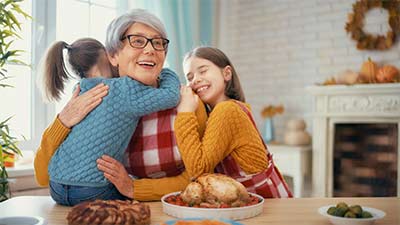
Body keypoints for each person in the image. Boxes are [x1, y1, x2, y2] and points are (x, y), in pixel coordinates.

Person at [34, 9, 207, 202]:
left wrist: (135, 188)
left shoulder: (188, 103)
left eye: (158, 43)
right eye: (137, 41)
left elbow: (198, 177)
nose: (150, 50)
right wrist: (63, 121)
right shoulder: (88, 101)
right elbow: (42, 176)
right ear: (113, 56)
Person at [174, 46, 293, 198]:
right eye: (189, 77)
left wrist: (185, 112)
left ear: (227, 73)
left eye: (203, 71)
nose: (195, 79)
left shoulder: (227, 111)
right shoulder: (234, 108)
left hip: (267, 208)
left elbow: (198, 170)